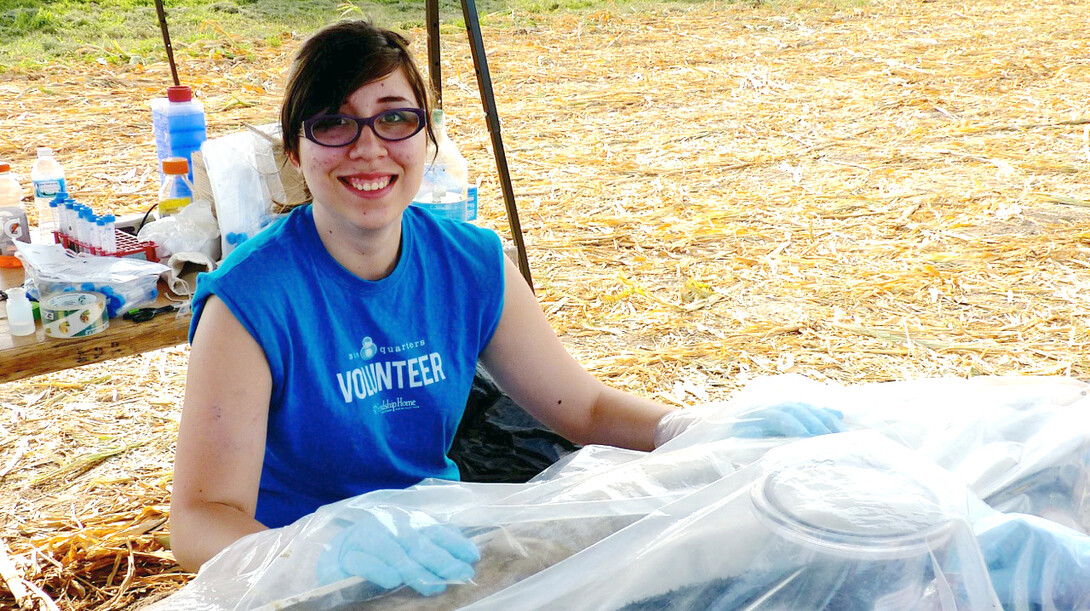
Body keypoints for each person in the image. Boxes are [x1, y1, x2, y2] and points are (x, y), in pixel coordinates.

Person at [168, 20, 844, 592]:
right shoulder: (251, 300)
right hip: (309, 586)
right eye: (333, 124)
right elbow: (200, 519)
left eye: (395, 118)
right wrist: (317, 550)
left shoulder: (471, 262)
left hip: (451, 553)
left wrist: (692, 428)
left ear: (427, 139)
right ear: (296, 150)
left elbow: (582, 408)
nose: (368, 147)